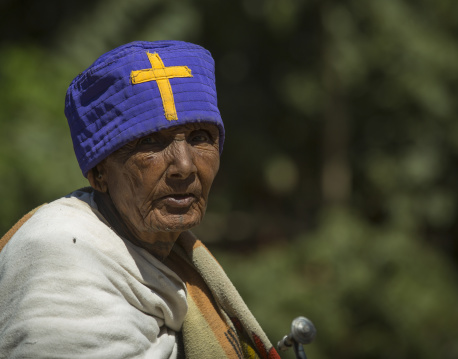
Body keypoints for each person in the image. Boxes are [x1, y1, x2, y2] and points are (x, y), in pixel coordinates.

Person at [0, 40, 281, 359]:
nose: (185, 167)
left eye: (200, 138)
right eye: (150, 142)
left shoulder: (163, 251)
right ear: (99, 173)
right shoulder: (60, 255)